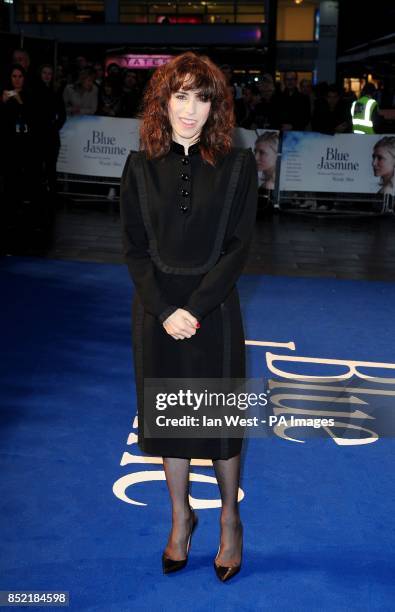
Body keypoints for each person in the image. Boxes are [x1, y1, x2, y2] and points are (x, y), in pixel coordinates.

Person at [119, 51, 258, 582]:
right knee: (170, 420)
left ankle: (230, 520)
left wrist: (193, 308)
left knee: (218, 424)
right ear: (163, 101)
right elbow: (133, 249)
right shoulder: (138, 166)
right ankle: (180, 520)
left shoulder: (238, 167)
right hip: (156, 311)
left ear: (215, 107)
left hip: (214, 308)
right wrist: (162, 308)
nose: (190, 109)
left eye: (202, 98)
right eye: (180, 96)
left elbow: (238, 249)